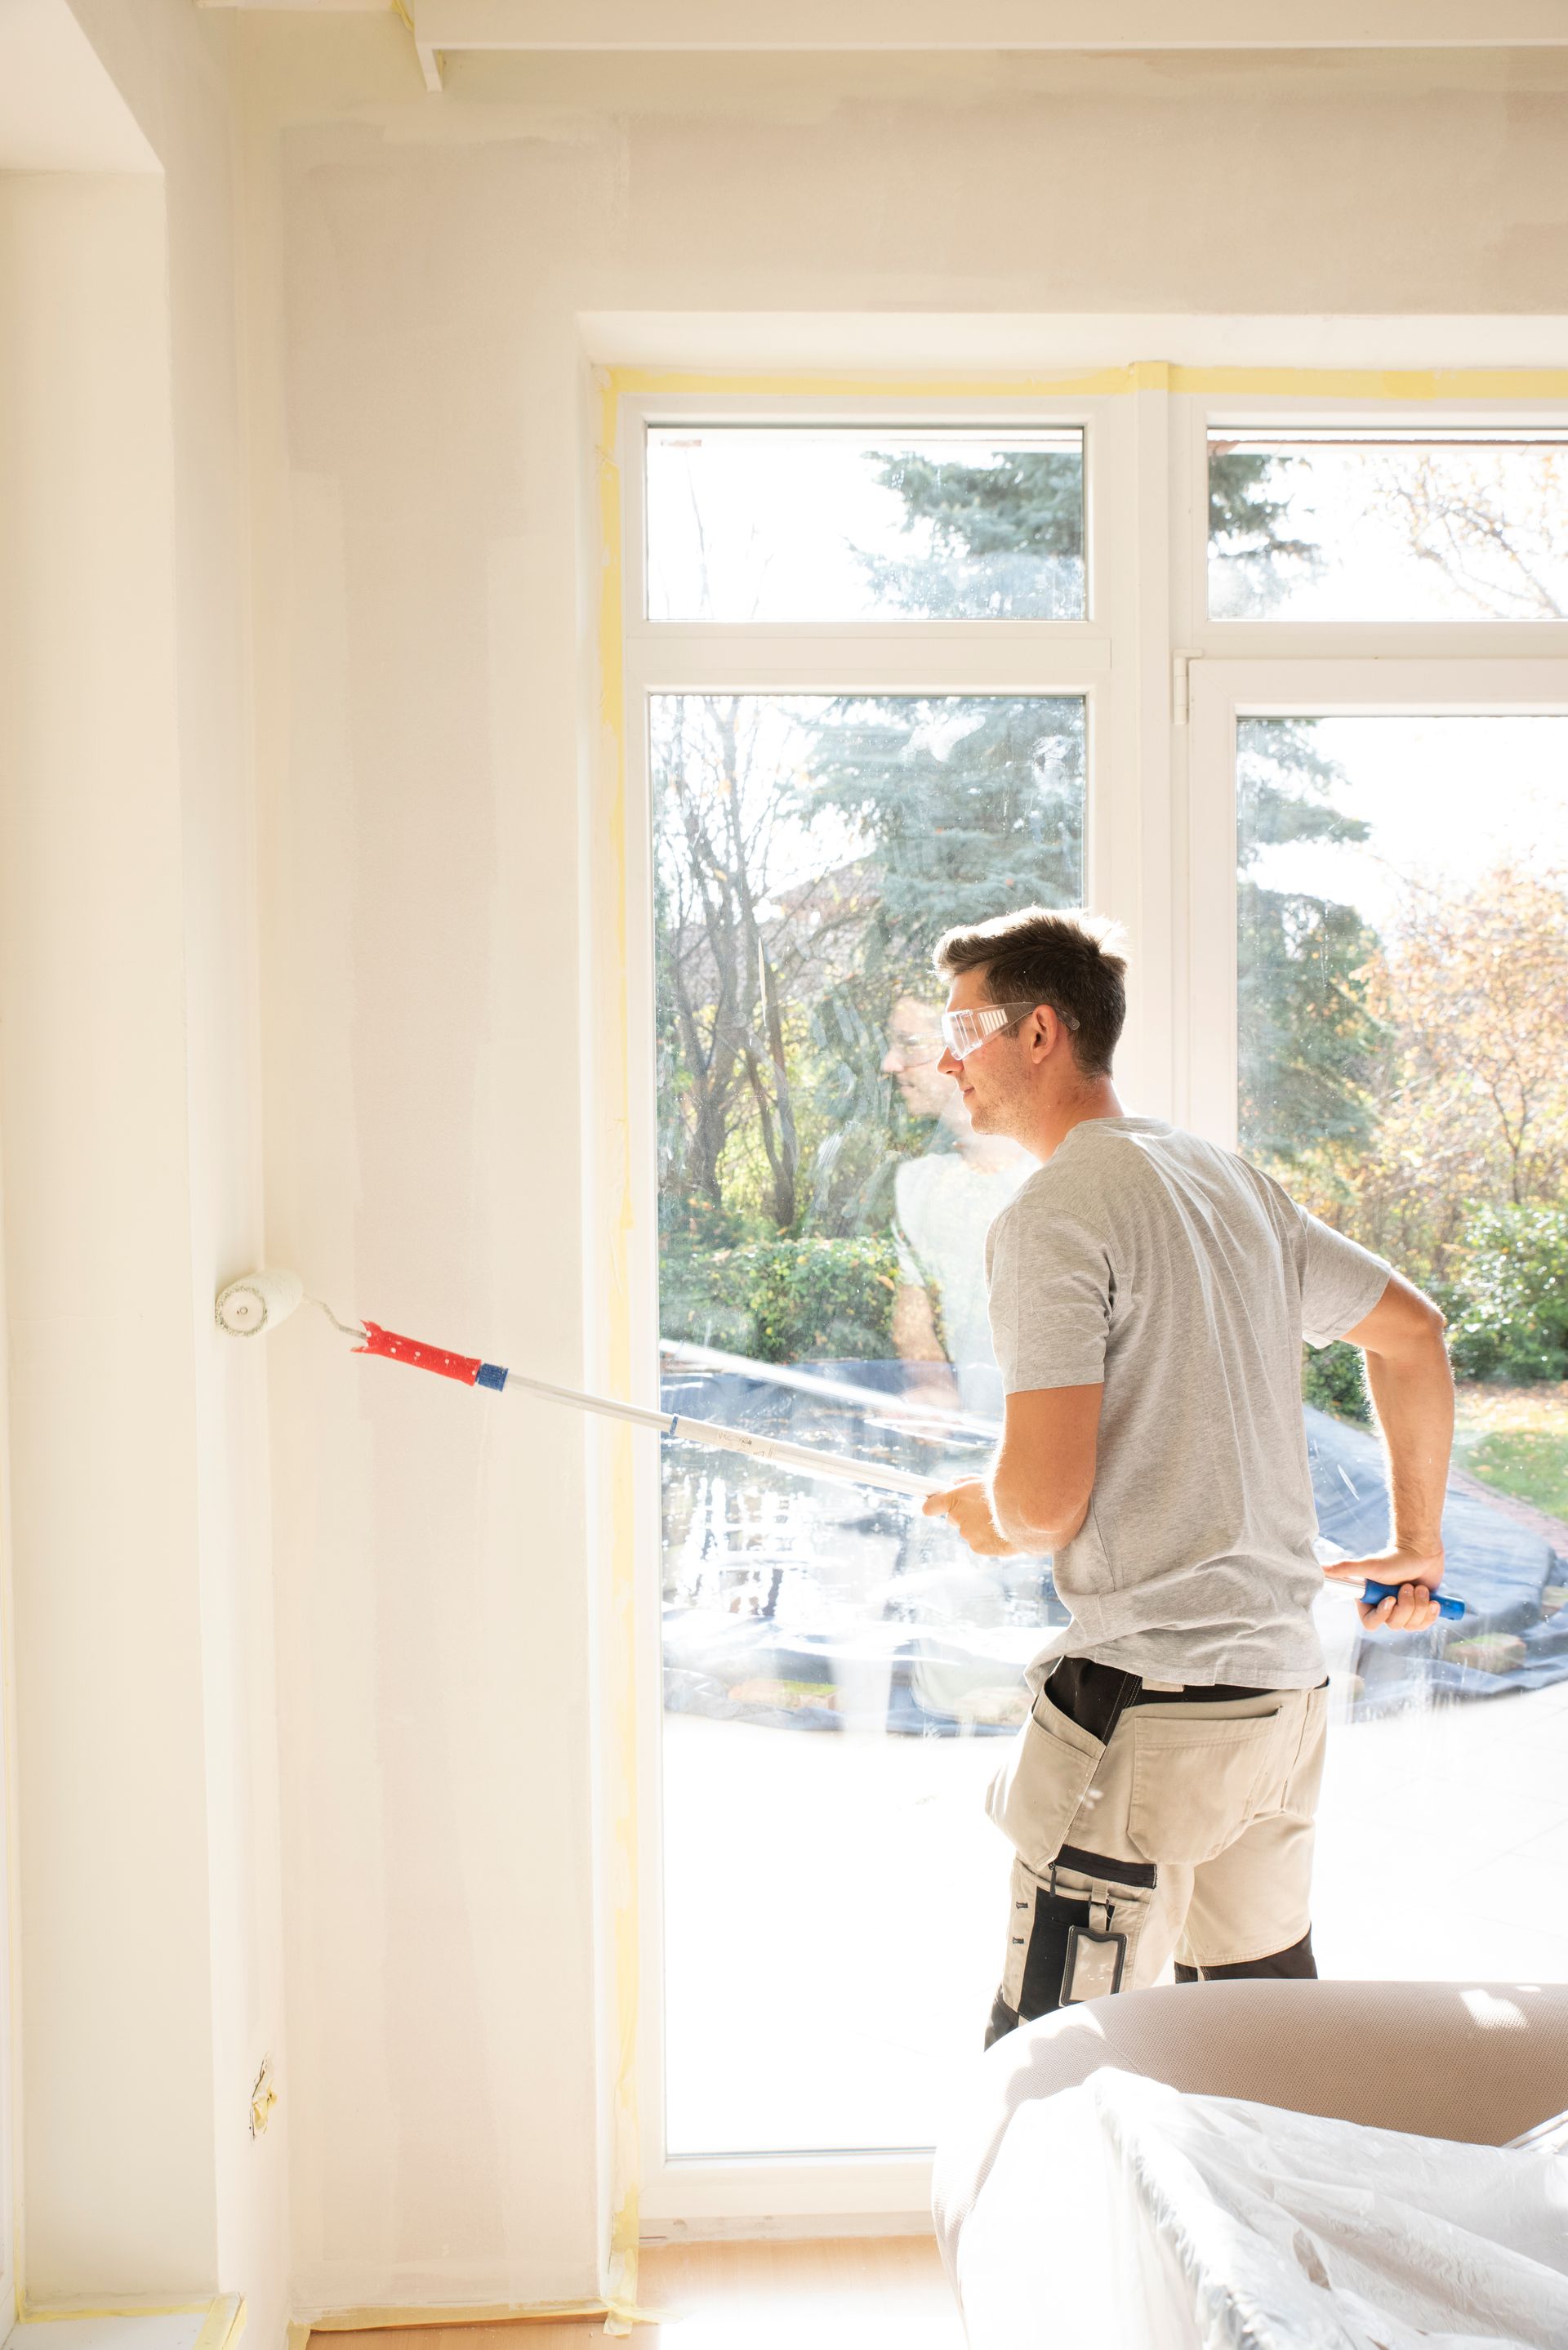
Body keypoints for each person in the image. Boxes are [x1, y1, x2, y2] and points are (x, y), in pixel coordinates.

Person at [920, 907, 1451, 2043]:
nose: (946, 1056)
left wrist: (994, 1513)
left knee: (1045, 2069)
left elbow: (1046, 1501)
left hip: (1146, 1715)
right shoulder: (1229, 1184)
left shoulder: (1053, 1211)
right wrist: (1420, 1539)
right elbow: (1413, 1335)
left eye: (965, 1027)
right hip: (1279, 1701)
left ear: (1042, 1032)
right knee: (1262, 2059)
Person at [880, 993, 1031, 1418]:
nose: (890, 1064)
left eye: (908, 1044)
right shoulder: (917, 1183)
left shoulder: (1058, 1175)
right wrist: (936, 1389)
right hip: (974, 1455)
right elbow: (913, 1315)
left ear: (966, 1049)